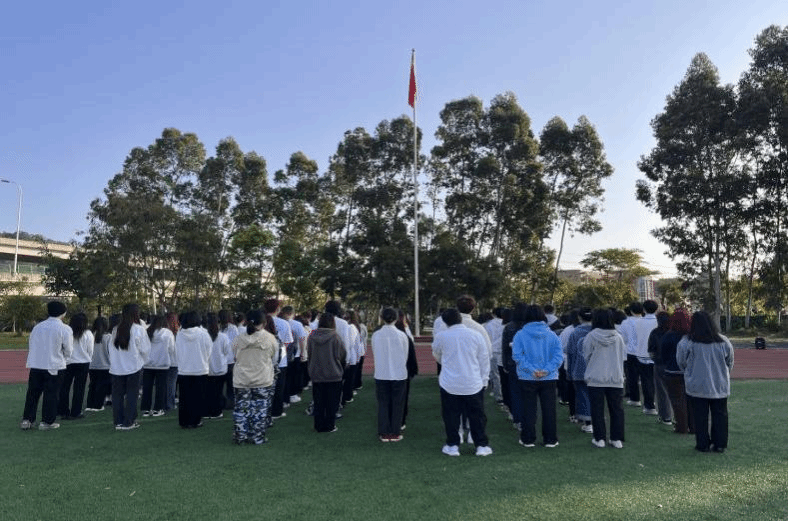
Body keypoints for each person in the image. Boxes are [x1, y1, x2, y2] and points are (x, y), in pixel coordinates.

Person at [432, 308, 493, 457]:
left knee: (451, 416)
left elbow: (437, 354)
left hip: (449, 383)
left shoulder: (441, 336)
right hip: (473, 382)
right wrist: (484, 379)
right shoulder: (476, 335)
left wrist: (446, 363)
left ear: (445, 322)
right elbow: (484, 359)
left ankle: (453, 445)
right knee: (477, 416)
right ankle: (481, 445)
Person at [677, 311, 734, 453]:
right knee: (720, 415)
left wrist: (690, 373)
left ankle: (702, 444)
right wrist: (723, 374)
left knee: (699, 416)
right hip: (719, 385)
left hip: (697, 385)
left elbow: (681, 362)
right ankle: (720, 444)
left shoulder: (687, 342)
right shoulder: (723, 341)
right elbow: (729, 361)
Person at [511, 305, 563, 448]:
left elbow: (517, 356)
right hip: (549, 377)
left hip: (527, 377)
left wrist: (532, 370)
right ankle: (550, 439)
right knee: (549, 409)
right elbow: (558, 356)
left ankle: (528, 439)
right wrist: (546, 370)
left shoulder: (520, 334)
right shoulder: (552, 335)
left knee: (528, 409)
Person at [20, 301, 73, 431]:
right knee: (51, 394)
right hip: (54, 365)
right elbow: (68, 349)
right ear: (63, 313)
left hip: (36, 364)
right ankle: (47, 422)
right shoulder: (65, 328)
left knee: (32, 393)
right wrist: (64, 358)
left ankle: (27, 420)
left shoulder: (37, 327)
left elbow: (32, 344)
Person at [232, 309, 279, 444]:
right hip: (262, 379)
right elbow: (275, 359)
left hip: (242, 380)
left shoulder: (238, 338)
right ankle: (257, 437)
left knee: (241, 409)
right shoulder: (270, 338)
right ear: (264, 323)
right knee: (260, 410)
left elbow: (234, 356)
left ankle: (240, 436)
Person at [583, 308, 626, 449]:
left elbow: (586, 355)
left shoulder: (591, 336)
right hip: (615, 377)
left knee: (597, 410)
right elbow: (623, 357)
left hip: (596, 377)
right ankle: (616, 438)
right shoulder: (618, 337)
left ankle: (599, 438)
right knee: (617, 410)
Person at [108, 303, 151, 430]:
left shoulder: (115, 329)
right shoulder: (138, 329)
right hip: (134, 367)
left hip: (117, 368)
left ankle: (118, 421)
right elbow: (145, 349)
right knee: (132, 395)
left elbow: (111, 349)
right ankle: (129, 421)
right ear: (136, 314)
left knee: (117, 396)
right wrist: (143, 361)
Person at [371, 307, 410, 442]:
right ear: (396, 319)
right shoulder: (402, 335)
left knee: (383, 403)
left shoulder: (376, 335)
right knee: (397, 404)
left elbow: (375, 352)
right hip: (399, 374)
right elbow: (405, 355)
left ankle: (384, 432)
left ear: (381, 318)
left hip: (381, 373)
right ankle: (395, 432)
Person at [307, 312, 347, 433]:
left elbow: (309, 353)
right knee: (332, 402)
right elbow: (342, 354)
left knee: (318, 401)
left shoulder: (312, 336)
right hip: (333, 373)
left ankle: (319, 425)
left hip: (317, 373)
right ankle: (330, 425)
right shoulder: (335, 337)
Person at [175, 310, 212, 429]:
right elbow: (209, 349)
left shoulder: (180, 334)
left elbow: (177, 350)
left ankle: (184, 421)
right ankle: (196, 420)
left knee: (185, 397)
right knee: (198, 397)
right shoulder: (203, 333)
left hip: (184, 369)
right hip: (200, 368)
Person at [661, 309, 694, 434]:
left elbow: (663, 354)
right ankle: (693, 426)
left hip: (672, 372)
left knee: (677, 401)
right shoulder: (691, 336)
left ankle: (681, 426)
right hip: (688, 372)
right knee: (690, 400)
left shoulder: (669, 335)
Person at [58, 312, 94, 420]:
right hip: (83, 363)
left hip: (67, 363)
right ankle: (76, 411)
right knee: (79, 389)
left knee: (64, 388)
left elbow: (62, 347)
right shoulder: (88, 334)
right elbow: (90, 350)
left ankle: (63, 411)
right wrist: (87, 358)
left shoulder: (67, 332)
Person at [140, 315, 174, 417]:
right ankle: (158, 409)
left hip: (148, 364)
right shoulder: (168, 333)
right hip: (162, 364)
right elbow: (172, 348)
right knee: (161, 388)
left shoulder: (147, 332)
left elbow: (142, 348)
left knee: (147, 388)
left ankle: (146, 409)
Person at [566, 308, 594, 433]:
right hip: (595, 369)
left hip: (579, 368)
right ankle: (596, 419)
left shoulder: (575, 332)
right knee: (595, 396)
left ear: (579, 318)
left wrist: (569, 371)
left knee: (583, 396)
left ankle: (588, 423)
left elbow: (570, 353)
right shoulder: (596, 331)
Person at [648, 311, 673, 425]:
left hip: (660, 364)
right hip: (673, 365)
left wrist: (655, 360)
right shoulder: (673, 332)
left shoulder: (655, 332)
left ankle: (665, 416)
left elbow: (651, 350)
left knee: (662, 392)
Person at [205, 312, 231, 419]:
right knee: (218, 391)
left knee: (208, 391)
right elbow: (227, 351)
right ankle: (217, 411)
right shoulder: (223, 337)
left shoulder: (204, 336)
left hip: (208, 368)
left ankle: (208, 411)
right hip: (220, 368)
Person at [85, 316, 111, 412]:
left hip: (92, 365)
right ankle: (98, 405)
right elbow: (110, 351)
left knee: (92, 385)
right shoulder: (108, 337)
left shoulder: (90, 335)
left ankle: (89, 404)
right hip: (105, 365)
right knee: (102, 386)